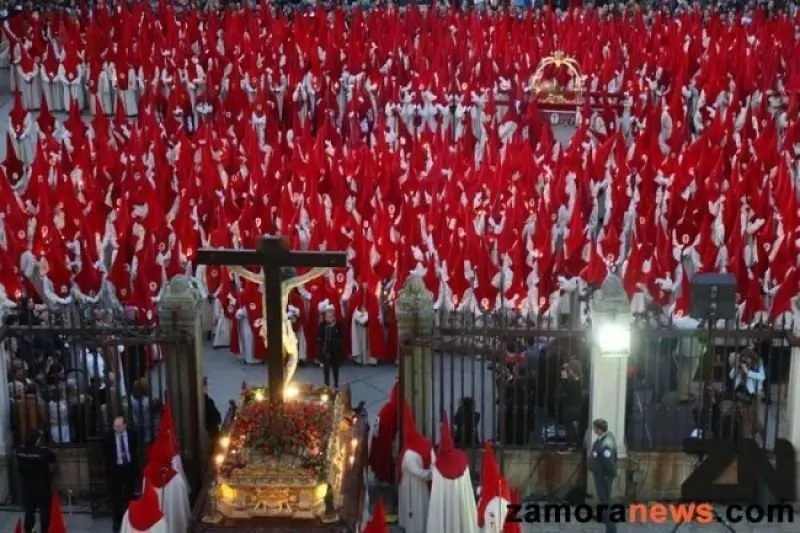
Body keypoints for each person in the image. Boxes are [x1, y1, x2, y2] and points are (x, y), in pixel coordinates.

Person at [426, 414, 479, 533]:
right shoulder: (462, 458)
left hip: (446, 508)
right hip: (461, 502)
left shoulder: (438, 465)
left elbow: (436, 494)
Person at [397, 410, 432, 533]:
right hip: (414, 485)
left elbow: (416, 471)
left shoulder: (408, 453)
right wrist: (431, 473)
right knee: (416, 510)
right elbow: (418, 471)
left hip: (413, 485)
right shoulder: (417, 449)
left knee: (416, 510)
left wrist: (429, 473)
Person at [15, 429, 56, 533]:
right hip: (42, 485)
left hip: (27, 485)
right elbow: (52, 458)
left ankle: (28, 529)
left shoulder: (20, 451)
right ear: (37, 440)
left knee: (29, 509)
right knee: (45, 509)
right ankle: (44, 530)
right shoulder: (43, 452)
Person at [104, 416, 140, 533]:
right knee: (115, 497)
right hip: (116, 469)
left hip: (129, 468)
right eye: (115, 426)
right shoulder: (109, 436)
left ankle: (129, 519)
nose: (116, 428)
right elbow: (106, 453)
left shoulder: (132, 434)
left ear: (125, 425)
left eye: (119, 426)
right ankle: (117, 521)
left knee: (129, 495)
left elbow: (135, 450)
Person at [588, 419, 618, 533]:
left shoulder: (606, 444)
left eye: (595, 428)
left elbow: (609, 462)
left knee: (605, 500)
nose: (594, 430)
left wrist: (608, 476)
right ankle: (605, 519)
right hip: (600, 474)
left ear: (599, 429)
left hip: (604, 476)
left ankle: (611, 528)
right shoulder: (603, 439)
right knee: (603, 500)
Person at [317, 305, 344, 388]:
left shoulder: (339, 325)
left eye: (329, 316)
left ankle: (336, 384)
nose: (327, 318)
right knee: (326, 370)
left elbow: (342, 337)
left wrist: (337, 343)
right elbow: (319, 337)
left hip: (335, 351)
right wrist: (321, 344)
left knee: (335, 369)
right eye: (326, 316)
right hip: (326, 351)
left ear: (333, 316)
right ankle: (326, 385)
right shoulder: (322, 325)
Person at [203, 377, 222, 443]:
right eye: (208, 385)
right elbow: (217, 418)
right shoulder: (208, 401)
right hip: (210, 434)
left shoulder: (207, 400)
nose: (209, 387)